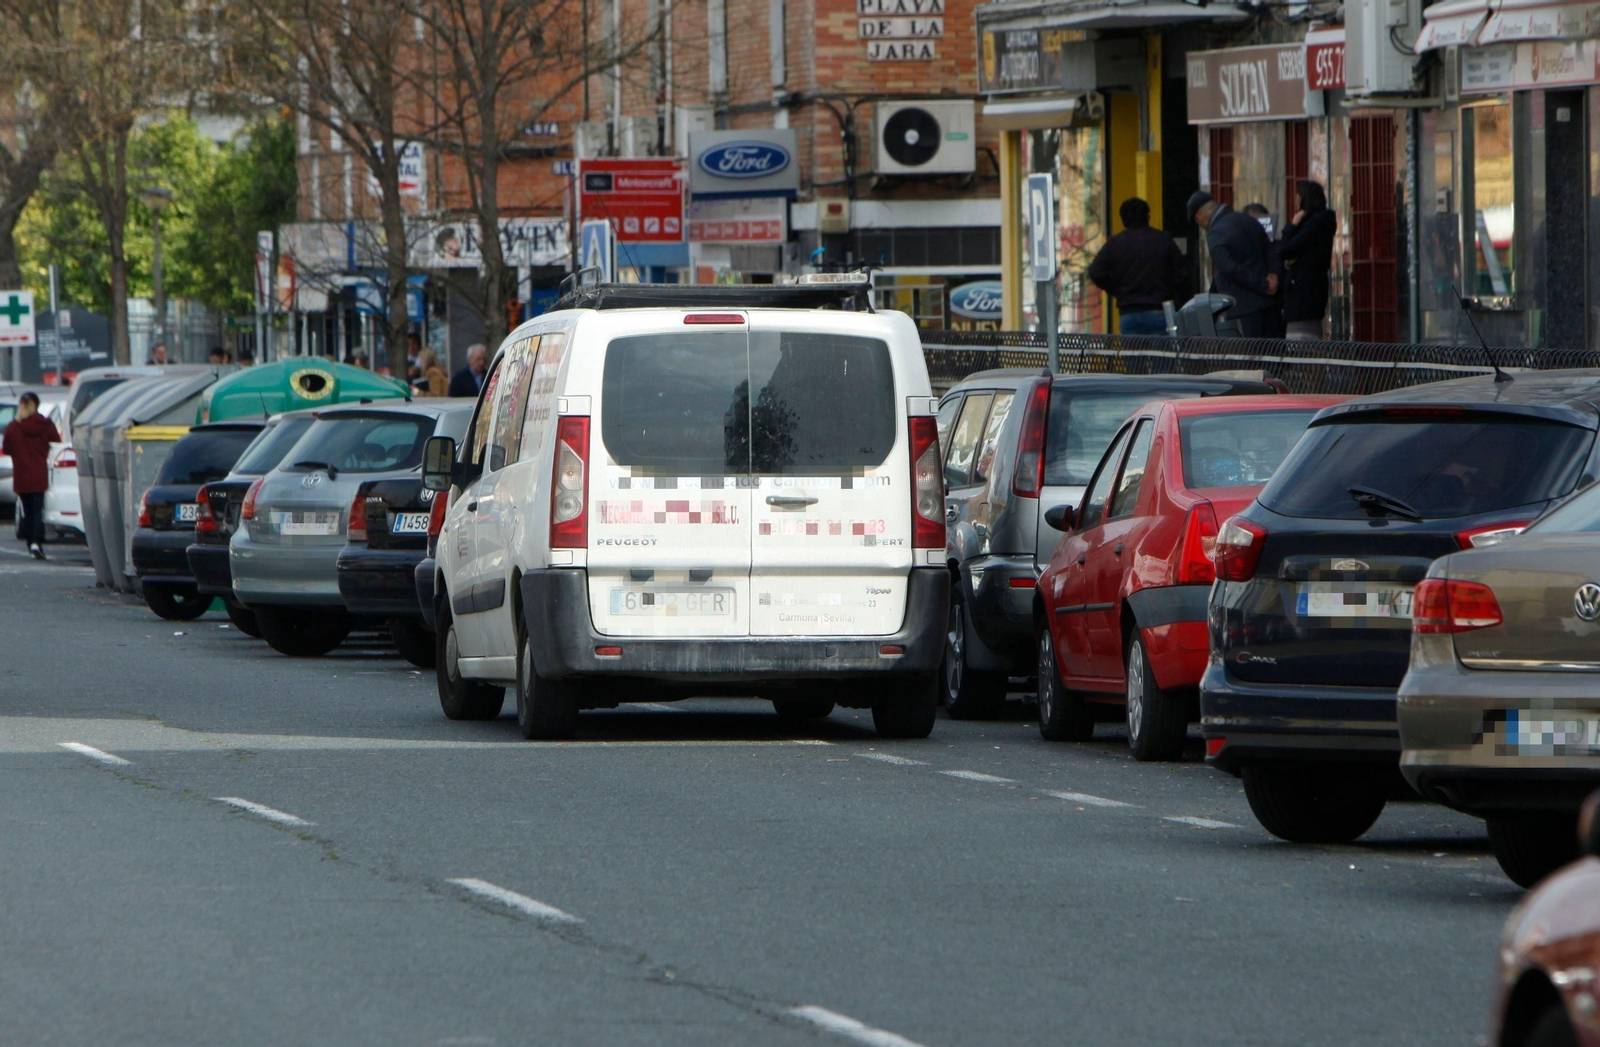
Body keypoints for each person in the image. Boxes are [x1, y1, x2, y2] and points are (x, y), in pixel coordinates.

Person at [1087, 197, 1186, 336]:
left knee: (1133, 356)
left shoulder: (1115, 243)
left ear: (1123, 219)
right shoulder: (1163, 240)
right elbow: (1181, 274)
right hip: (1159, 311)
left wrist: (1117, 290)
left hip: (1129, 313)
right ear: (1147, 216)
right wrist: (1170, 293)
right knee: (1161, 356)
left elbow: (1095, 271)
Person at [1186, 190, 1280, 338]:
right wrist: (1274, 276)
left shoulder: (1215, 235)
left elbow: (1230, 269)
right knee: (1275, 356)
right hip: (1271, 306)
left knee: (1251, 359)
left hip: (1244, 311)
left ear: (1200, 217)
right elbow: (1271, 251)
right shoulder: (1248, 220)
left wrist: (1262, 283)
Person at [3, 392, 61, 559]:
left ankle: (31, 543)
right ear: (37, 405)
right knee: (37, 511)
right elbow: (56, 442)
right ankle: (36, 543)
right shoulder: (46, 424)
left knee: (27, 512)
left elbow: (7, 449)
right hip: (39, 475)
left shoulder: (14, 427)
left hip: (22, 476)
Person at [1277, 180, 1337, 340]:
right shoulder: (1322, 223)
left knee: (1300, 344)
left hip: (1303, 294)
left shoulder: (1313, 225)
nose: (1295, 201)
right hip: (1312, 292)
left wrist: (1292, 226)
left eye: (1297, 197)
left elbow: (1284, 250)